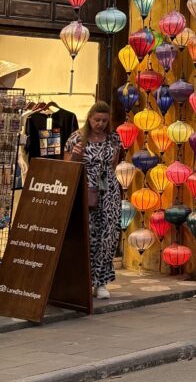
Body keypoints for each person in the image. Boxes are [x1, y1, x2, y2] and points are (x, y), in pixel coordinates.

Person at [64, 102, 122, 300]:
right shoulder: (77, 138)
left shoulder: (113, 138)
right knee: (87, 235)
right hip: (84, 190)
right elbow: (67, 167)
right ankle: (84, 281)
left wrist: (105, 182)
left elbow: (113, 165)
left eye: (104, 121)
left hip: (108, 192)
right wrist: (76, 156)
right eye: (97, 120)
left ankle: (101, 282)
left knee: (108, 236)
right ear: (89, 118)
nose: (100, 124)